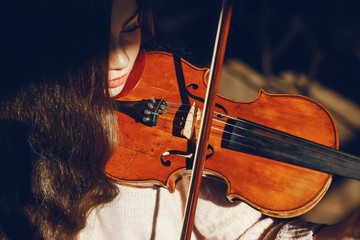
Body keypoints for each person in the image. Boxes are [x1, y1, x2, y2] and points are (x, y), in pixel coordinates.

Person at [0, 0, 359, 240]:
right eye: (95, 42)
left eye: (130, 28)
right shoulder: (15, 143)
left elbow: (242, 232)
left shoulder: (171, 98)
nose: (122, 59)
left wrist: (341, 232)